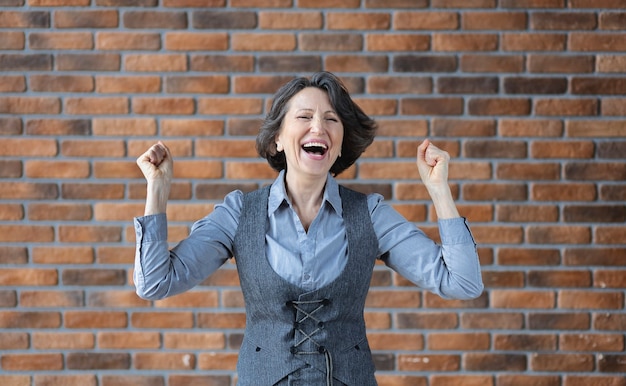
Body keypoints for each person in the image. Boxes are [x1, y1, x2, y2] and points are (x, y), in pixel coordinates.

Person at [133, 71, 483, 386]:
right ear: (277, 140)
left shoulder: (371, 213)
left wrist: (439, 190)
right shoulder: (239, 213)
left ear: (340, 143)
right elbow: (155, 283)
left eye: (331, 119)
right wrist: (158, 191)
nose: (319, 127)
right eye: (304, 117)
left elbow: (462, 282)